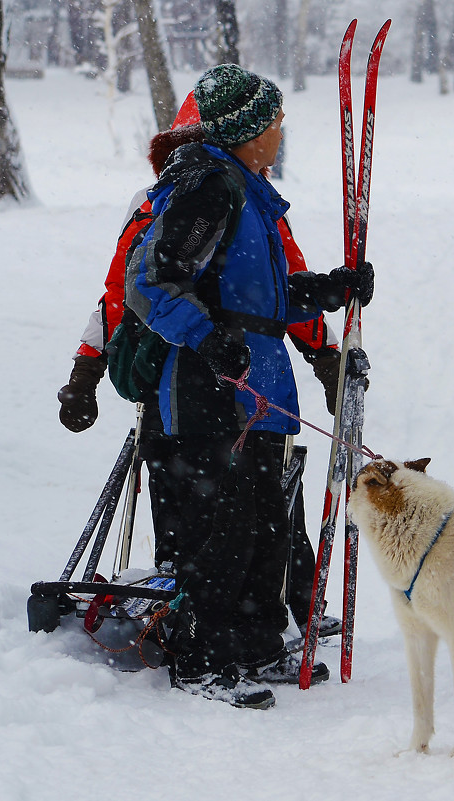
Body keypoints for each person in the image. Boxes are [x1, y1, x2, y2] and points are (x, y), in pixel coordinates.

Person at [123, 64, 375, 709]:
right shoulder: (208, 187)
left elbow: (261, 297)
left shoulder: (248, 190)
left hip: (259, 386)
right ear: (246, 129)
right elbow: (150, 283)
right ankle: (206, 660)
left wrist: (326, 290)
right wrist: (207, 337)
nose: (281, 131)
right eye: (273, 122)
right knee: (223, 531)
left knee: (266, 524)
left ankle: (255, 645)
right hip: (210, 390)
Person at [57, 92, 344, 645]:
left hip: (232, 379)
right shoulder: (176, 200)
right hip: (183, 382)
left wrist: (323, 353)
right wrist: (84, 373)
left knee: (257, 511)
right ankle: (193, 631)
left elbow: (269, 294)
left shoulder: (249, 199)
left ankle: (280, 615)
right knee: (207, 519)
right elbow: (122, 293)